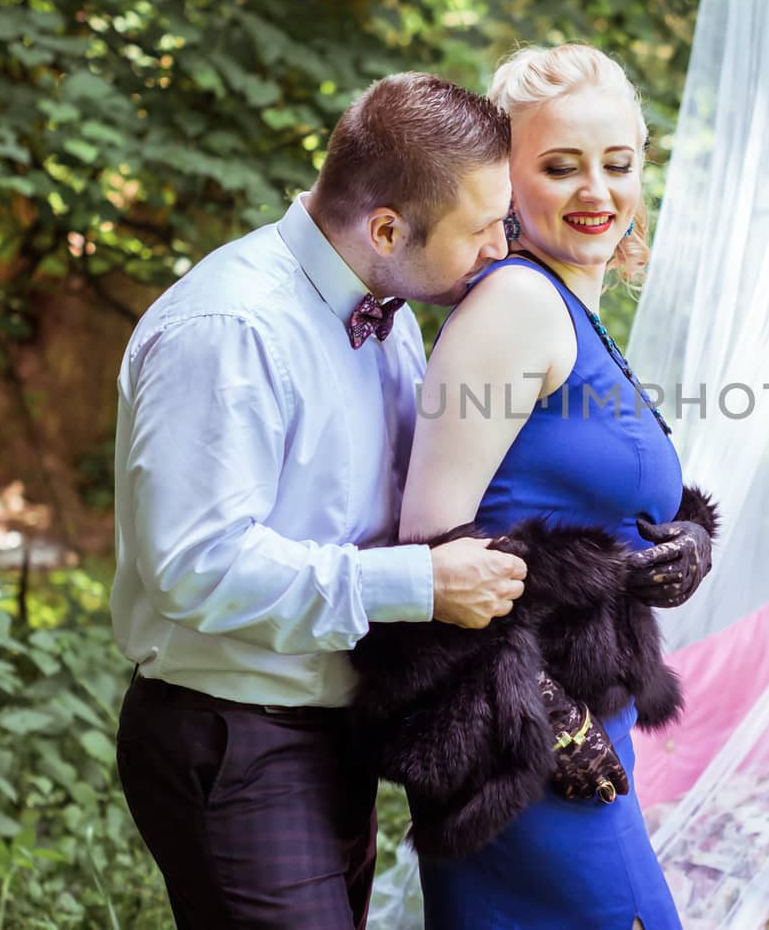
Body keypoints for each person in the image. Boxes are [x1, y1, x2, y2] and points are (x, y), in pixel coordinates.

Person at [110, 72, 529, 930]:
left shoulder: (390, 309)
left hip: (335, 731)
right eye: (484, 230)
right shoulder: (230, 329)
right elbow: (196, 565)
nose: (501, 249)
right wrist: (417, 585)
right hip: (236, 740)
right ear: (386, 228)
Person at [371, 44, 718, 929]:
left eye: (618, 163)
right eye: (561, 167)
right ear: (506, 185)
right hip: (519, 746)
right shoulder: (517, 305)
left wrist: (685, 539)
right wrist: (548, 722)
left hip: (587, 721)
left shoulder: (573, 310)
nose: (596, 191)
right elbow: (435, 547)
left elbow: (568, 502)